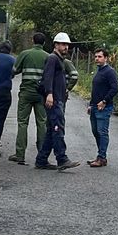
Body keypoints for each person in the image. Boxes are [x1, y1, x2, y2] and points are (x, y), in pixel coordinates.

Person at [34, 32, 80, 171]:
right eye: (63, 44)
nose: (66, 47)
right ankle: (62, 159)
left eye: (67, 44)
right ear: (56, 45)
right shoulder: (53, 58)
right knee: (57, 128)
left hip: (58, 98)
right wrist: (49, 94)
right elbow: (47, 77)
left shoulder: (59, 60)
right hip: (54, 100)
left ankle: (41, 160)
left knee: (51, 130)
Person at [10, 33, 49, 164]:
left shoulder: (25, 53)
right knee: (42, 123)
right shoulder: (48, 57)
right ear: (44, 43)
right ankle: (42, 154)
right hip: (41, 94)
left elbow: (14, 70)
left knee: (22, 123)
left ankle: (20, 154)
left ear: (33, 41)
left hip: (26, 92)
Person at [87, 46, 118, 167]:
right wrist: (91, 104)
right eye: (95, 56)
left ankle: (102, 157)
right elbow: (96, 90)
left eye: (100, 56)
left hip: (104, 107)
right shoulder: (99, 71)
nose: (97, 59)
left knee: (102, 132)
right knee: (95, 131)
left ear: (106, 58)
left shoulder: (110, 72)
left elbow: (115, 88)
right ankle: (100, 156)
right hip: (95, 106)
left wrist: (104, 101)